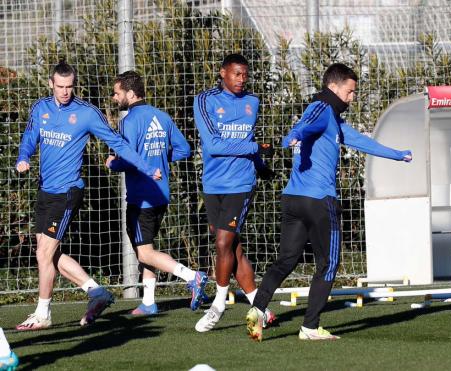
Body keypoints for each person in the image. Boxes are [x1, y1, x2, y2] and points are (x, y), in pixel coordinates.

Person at [246, 62, 412, 342]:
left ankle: (257, 310)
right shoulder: (322, 109)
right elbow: (306, 125)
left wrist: (397, 154)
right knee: (329, 263)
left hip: (294, 199)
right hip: (319, 200)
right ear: (333, 87)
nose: (353, 97)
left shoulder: (333, 119)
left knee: (286, 260)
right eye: (350, 91)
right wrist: (295, 135)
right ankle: (310, 327)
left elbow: (360, 141)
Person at [15, 61, 162, 330]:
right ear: (51, 84)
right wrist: (23, 157)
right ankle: (96, 291)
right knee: (50, 254)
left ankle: (43, 313)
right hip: (45, 191)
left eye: (69, 86)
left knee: (43, 253)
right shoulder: (40, 109)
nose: (65, 92)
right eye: (60, 86)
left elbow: (117, 144)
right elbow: (29, 138)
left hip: (68, 191)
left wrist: (147, 167)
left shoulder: (86, 113)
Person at [105, 70, 209, 315]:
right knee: (148, 250)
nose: (114, 97)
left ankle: (191, 276)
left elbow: (129, 160)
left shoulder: (129, 122)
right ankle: (149, 303)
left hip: (141, 198)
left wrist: (113, 164)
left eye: (117, 93)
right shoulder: (162, 117)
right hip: (161, 195)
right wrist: (160, 159)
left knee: (145, 251)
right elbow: (184, 149)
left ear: (130, 94)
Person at [193, 53, 275, 332]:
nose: (241, 79)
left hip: (241, 184)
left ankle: (218, 305)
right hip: (214, 184)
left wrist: (260, 165)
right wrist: (256, 150)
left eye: (245, 74)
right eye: (236, 74)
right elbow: (214, 145)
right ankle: (259, 307)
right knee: (233, 250)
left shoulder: (252, 102)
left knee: (222, 244)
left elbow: (248, 141)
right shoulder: (205, 101)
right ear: (222, 73)